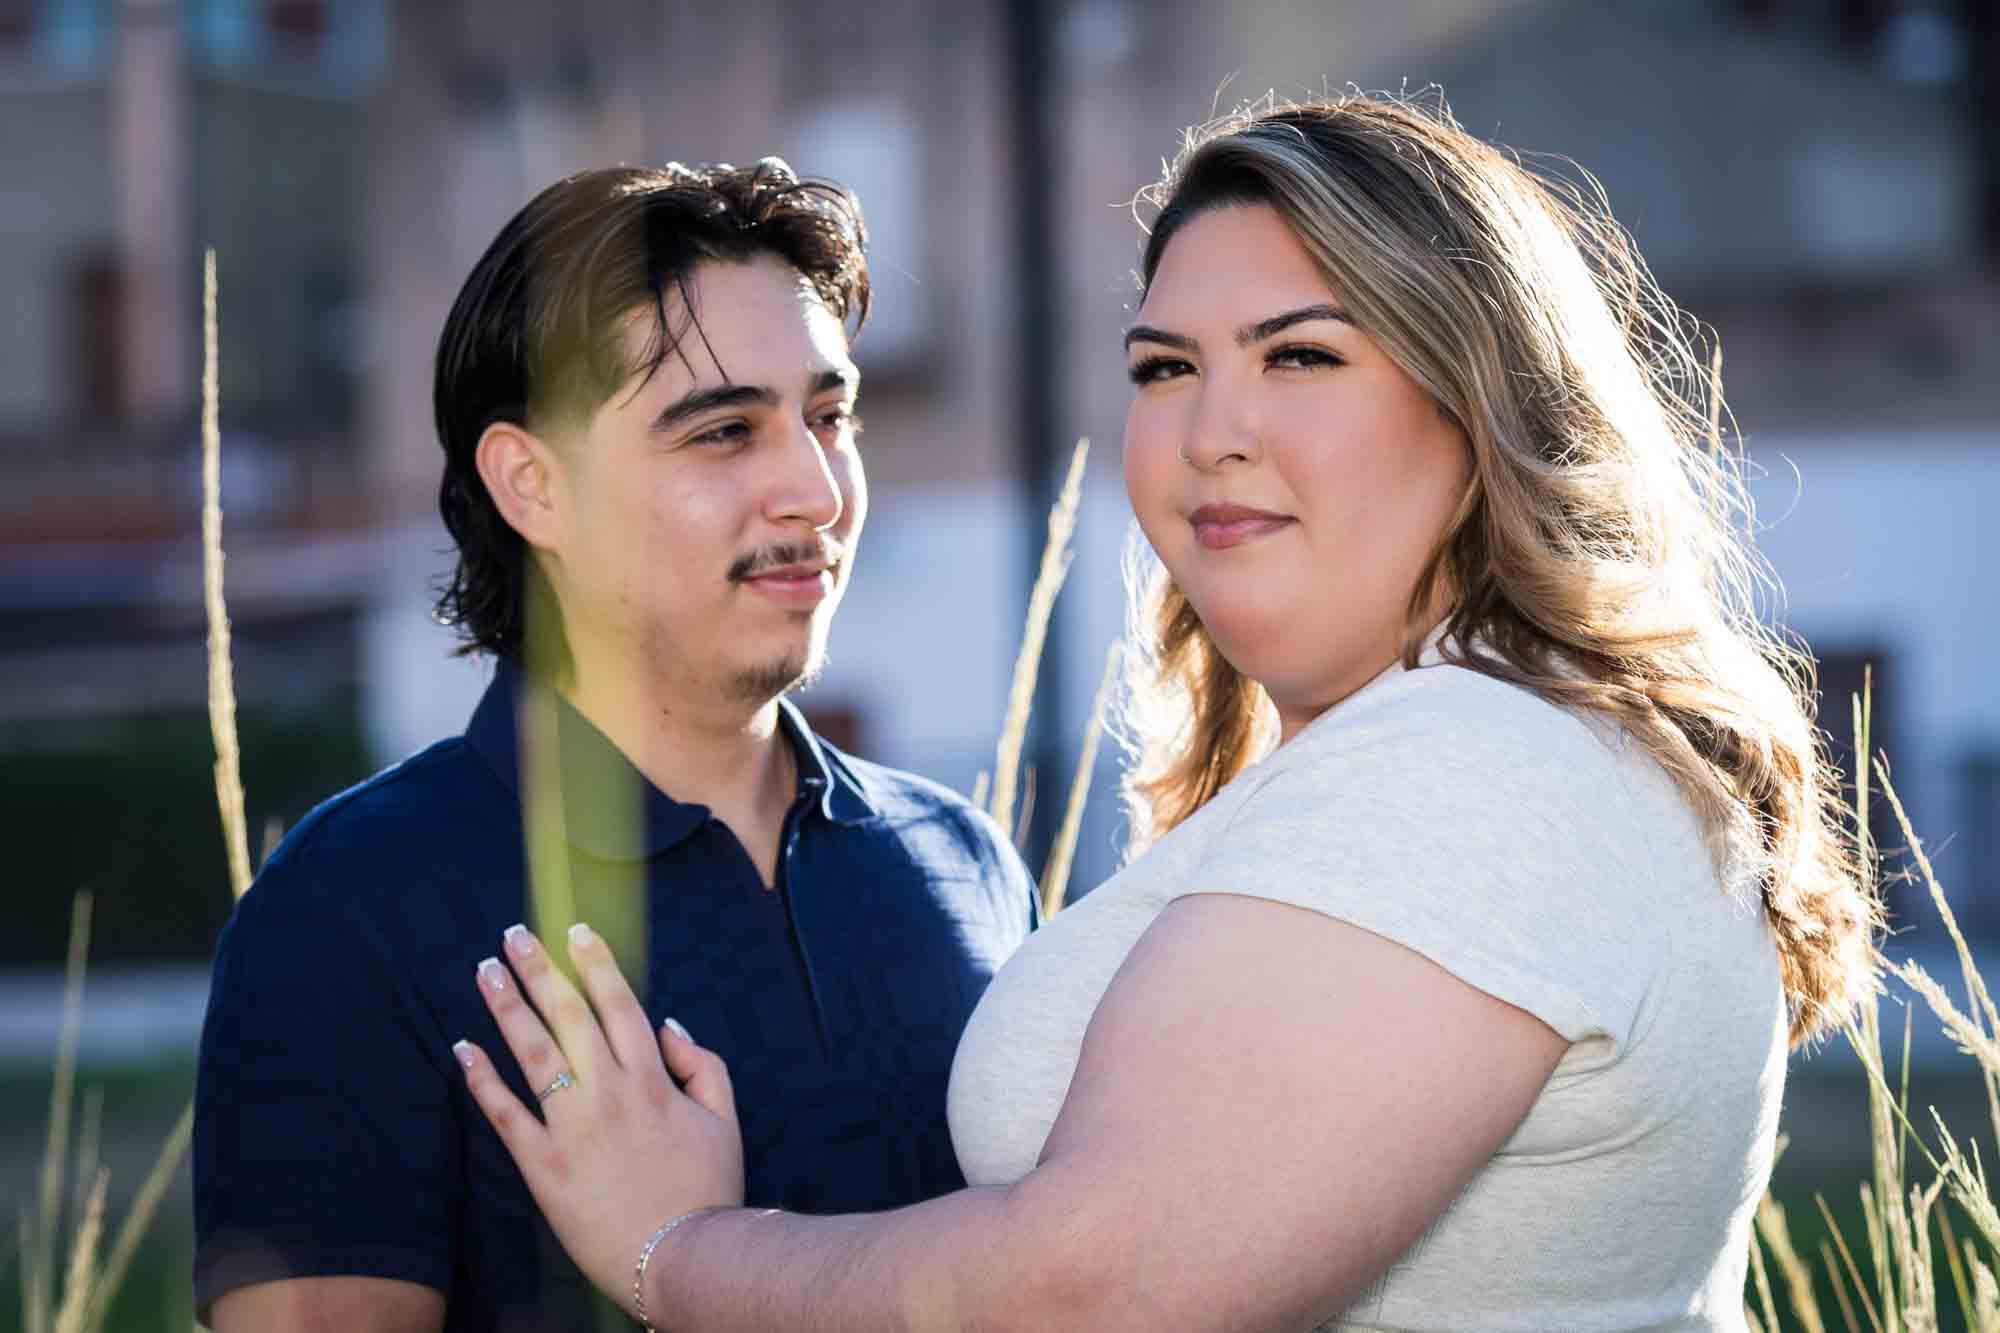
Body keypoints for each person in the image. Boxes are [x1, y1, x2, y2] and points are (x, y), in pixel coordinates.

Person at [451, 94, 1878, 1330]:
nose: (1211, 432)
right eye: (1165, 368)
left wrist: (677, 1249)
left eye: (1302, 355)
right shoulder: (1457, 746)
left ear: (1480, 402)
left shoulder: (1478, 762)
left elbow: (1098, 1295)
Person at [191, 160, 1038, 1333]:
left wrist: (685, 1254)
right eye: (724, 432)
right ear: (532, 485)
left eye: (829, 417)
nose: (814, 488)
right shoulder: (347, 910)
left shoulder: (966, 861)